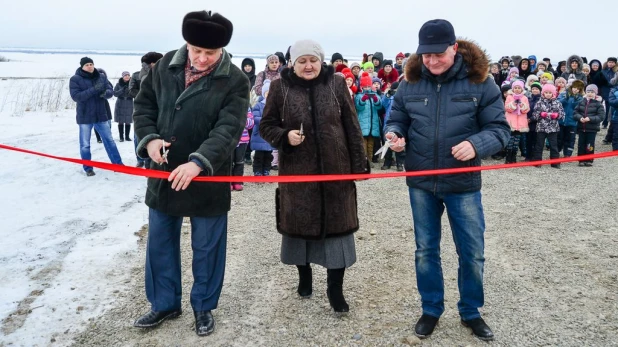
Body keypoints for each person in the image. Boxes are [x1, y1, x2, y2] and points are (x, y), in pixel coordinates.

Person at [384, 19, 510, 341]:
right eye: (426, 55)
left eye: (438, 54)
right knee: (425, 250)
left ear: (454, 47)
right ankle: (431, 309)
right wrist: (395, 135)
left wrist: (477, 145)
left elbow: (500, 130)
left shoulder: (481, 82)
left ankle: (470, 311)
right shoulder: (409, 82)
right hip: (422, 183)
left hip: (462, 184)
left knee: (472, 252)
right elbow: (397, 118)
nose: (432, 61)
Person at [132, 10, 249, 337]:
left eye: (209, 53)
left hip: (207, 177)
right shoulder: (165, 65)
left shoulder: (235, 80)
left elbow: (229, 128)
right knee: (160, 242)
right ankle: (164, 303)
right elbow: (144, 108)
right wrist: (150, 139)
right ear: (187, 42)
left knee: (208, 246)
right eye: (196, 50)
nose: (200, 58)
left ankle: (203, 307)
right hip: (163, 174)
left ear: (222, 50)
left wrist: (199, 161)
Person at [259, 39, 369, 314]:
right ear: (292, 64)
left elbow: (352, 125)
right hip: (298, 172)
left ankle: (335, 289)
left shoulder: (337, 84)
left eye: (313, 60)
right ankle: (304, 275)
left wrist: (359, 165)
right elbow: (266, 125)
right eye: (302, 61)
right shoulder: (279, 87)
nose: (308, 66)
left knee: (338, 231)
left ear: (322, 61)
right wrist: (285, 136)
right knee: (299, 228)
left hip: (336, 170)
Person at [69, 57, 124, 176]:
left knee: (110, 141)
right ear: (82, 66)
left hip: (100, 115)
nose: (89, 66)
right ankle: (88, 168)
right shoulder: (75, 79)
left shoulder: (101, 77)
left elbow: (110, 90)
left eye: (91, 64)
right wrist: (94, 90)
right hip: (85, 117)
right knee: (85, 144)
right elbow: (76, 97)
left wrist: (106, 93)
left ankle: (118, 165)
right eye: (87, 65)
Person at [129, 51, 163, 167]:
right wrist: (144, 95)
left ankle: (152, 161)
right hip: (141, 111)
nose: (153, 65)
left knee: (156, 136)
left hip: (160, 110)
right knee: (138, 136)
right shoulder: (137, 75)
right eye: (151, 63)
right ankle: (140, 158)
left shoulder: (164, 73)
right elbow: (131, 90)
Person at [531, 84, 565, 167]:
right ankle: (537, 161)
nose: (548, 94)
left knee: (553, 145)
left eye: (550, 93)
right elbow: (534, 115)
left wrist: (557, 115)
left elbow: (563, 114)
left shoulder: (557, 102)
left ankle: (555, 162)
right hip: (541, 127)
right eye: (546, 92)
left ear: (553, 93)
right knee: (539, 145)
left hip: (553, 128)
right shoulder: (539, 103)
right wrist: (541, 114)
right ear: (543, 93)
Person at [574, 84, 605, 166]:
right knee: (581, 144)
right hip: (581, 128)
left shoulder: (598, 104)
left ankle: (589, 159)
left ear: (595, 93)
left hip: (592, 129)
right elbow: (575, 113)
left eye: (592, 92)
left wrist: (590, 119)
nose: (590, 93)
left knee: (589, 145)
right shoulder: (581, 102)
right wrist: (580, 118)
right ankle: (581, 160)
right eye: (588, 91)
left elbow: (601, 116)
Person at [113, 71, 134, 142]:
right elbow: (115, 93)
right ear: (123, 76)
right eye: (125, 75)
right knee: (120, 121)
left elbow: (135, 93)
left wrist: (129, 91)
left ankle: (127, 137)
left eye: (128, 75)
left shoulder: (132, 84)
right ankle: (121, 137)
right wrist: (122, 90)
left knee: (128, 120)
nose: (127, 76)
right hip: (120, 103)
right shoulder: (118, 84)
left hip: (129, 103)